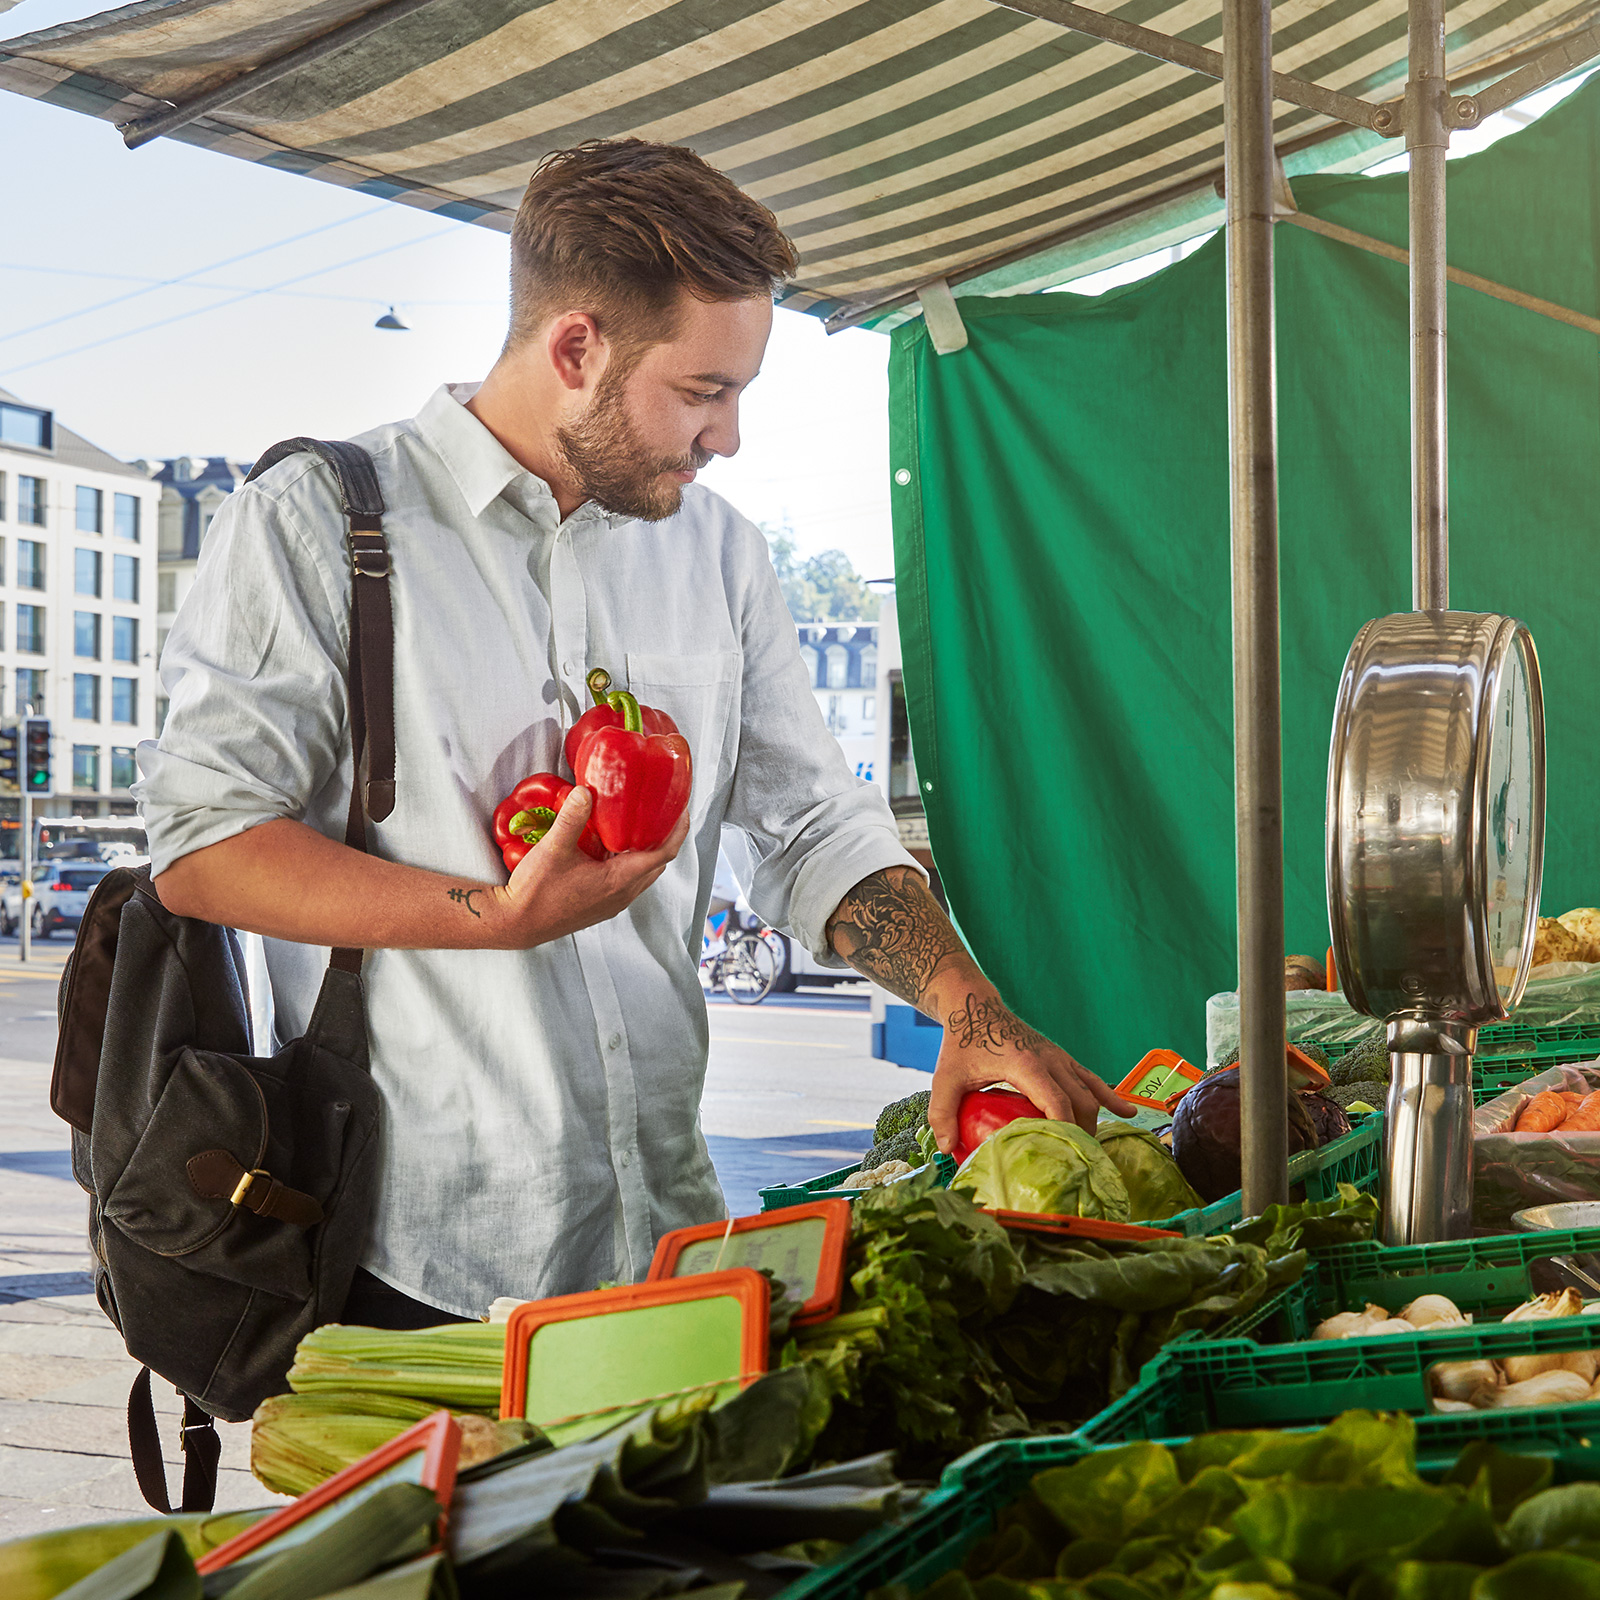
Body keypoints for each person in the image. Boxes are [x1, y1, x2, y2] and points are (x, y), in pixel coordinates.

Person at [138, 139, 1131, 1328]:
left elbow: (809, 821)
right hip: (405, 1256)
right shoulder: (315, 521)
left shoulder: (717, 554)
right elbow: (202, 844)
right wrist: (494, 918)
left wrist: (966, 1004)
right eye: (704, 393)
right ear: (576, 348)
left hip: (660, 1237)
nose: (727, 439)